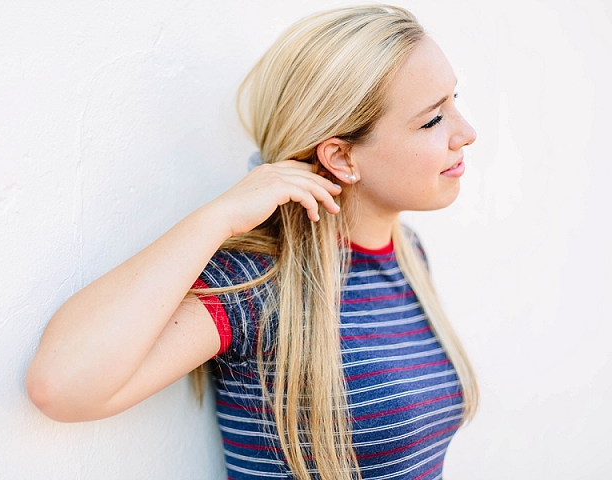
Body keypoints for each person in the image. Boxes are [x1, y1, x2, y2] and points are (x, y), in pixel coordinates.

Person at [26, 5, 479, 480]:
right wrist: (216, 218)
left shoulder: (408, 254)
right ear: (342, 158)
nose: (466, 133)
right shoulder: (260, 281)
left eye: (453, 101)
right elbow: (61, 385)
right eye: (432, 120)